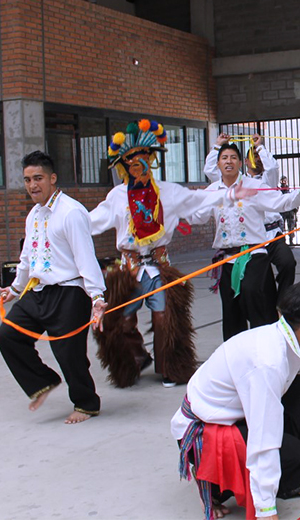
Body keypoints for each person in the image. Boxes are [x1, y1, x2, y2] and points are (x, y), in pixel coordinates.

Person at [172, 281, 300, 520]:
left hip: (237, 415)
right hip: (206, 430)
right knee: (287, 450)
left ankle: (291, 481)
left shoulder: (293, 345)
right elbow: (263, 437)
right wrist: (266, 511)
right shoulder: (268, 362)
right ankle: (213, 485)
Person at [90, 119, 249, 388]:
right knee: (122, 318)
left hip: (159, 266)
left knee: (165, 318)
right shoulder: (117, 196)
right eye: (131, 161)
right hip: (128, 268)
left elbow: (197, 199)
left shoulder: (167, 192)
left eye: (142, 160)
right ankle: (136, 358)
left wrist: (229, 196)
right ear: (124, 166)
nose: (137, 166)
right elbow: (90, 222)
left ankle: (169, 368)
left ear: (150, 161)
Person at [0, 150, 107, 424]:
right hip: (38, 291)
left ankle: (86, 404)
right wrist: (14, 289)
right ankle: (43, 381)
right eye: (27, 179)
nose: (33, 185)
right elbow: (27, 257)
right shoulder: (33, 214)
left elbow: (85, 258)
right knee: (7, 336)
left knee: (69, 353)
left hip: (69, 292)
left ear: (52, 178)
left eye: (39, 178)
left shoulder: (71, 212)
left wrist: (97, 297)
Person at [190, 141, 300, 341]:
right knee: (231, 310)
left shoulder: (254, 186)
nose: (228, 161)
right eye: (224, 158)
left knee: (252, 294)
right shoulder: (212, 191)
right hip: (226, 259)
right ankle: (236, 354)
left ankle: (266, 345)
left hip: (254, 255)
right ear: (218, 164)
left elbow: (280, 202)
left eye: (233, 157)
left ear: (240, 163)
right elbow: (197, 216)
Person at [207, 134, 298, 300]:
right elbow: (211, 170)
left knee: (288, 263)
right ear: (245, 162)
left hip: (272, 235)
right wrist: (217, 145)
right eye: (253, 156)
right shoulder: (237, 182)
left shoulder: (267, 180)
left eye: (259, 157)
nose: (258, 160)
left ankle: (282, 302)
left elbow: (272, 168)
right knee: (258, 282)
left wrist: (260, 147)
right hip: (249, 239)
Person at [279, 176, 298, 245]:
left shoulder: (290, 190)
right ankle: (283, 242)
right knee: (281, 228)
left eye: (284, 180)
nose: (283, 182)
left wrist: (295, 209)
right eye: (282, 181)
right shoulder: (279, 191)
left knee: (291, 227)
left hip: (290, 211)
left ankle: (291, 240)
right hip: (282, 211)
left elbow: (294, 199)